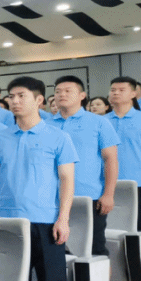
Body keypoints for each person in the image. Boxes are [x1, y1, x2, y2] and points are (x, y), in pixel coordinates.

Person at [0, 77, 77, 281]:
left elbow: (67, 180)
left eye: (21, 96)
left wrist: (63, 218)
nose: (14, 101)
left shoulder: (58, 137)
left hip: (45, 220)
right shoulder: (0, 137)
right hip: (7, 221)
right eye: (11, 96)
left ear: (39, 100)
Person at [48, 76, 119, 254]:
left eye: (68, 91)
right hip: (50, 198)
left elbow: (110, 159)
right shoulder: (45, 125)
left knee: (94, 250)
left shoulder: (99, 122)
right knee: (56, 251)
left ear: (82, 95)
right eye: (58, 91)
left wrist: (108, 194)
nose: (62, 94)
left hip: (88, 195)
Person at [107, 77, 141, 234]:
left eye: (121, 90)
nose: (116, 93)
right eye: (113, 90)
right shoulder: (101, 121)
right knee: (113, 227)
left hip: (139, 182)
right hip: (107, 183)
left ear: (133, 94)